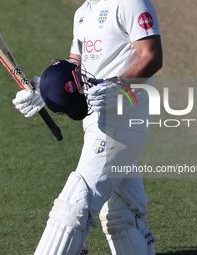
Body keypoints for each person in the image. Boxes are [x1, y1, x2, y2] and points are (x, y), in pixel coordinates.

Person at [12, 0, 163, 254]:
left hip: (121, 122)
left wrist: (119, 86)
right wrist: (44, 90)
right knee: (121, 213)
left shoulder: (129, 3)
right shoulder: (83, 13)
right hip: (96, 124)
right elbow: (75, 68)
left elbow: (152, 55)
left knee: (74, 205)